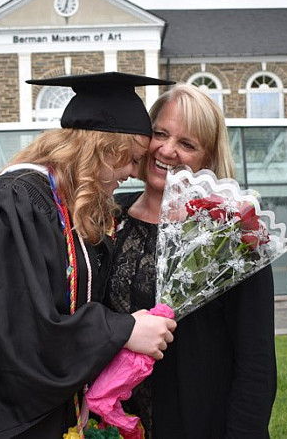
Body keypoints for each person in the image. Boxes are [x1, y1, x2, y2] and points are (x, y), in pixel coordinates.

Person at [0, 72, 177, 439]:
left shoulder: (69, 208)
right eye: (131, 159)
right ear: (103, 147)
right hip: (15, 420)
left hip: (58, 412)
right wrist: (124, 329)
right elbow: (21, 330)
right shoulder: (12, 201)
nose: (133, 173)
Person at [104, 83, 277, 438]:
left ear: (208, 159)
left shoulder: (232, 236)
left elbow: (256, 365)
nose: (167, 150)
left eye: (187, 144)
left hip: (200, 424)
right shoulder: (108, 220)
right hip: (112, 422)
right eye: (159, 133)